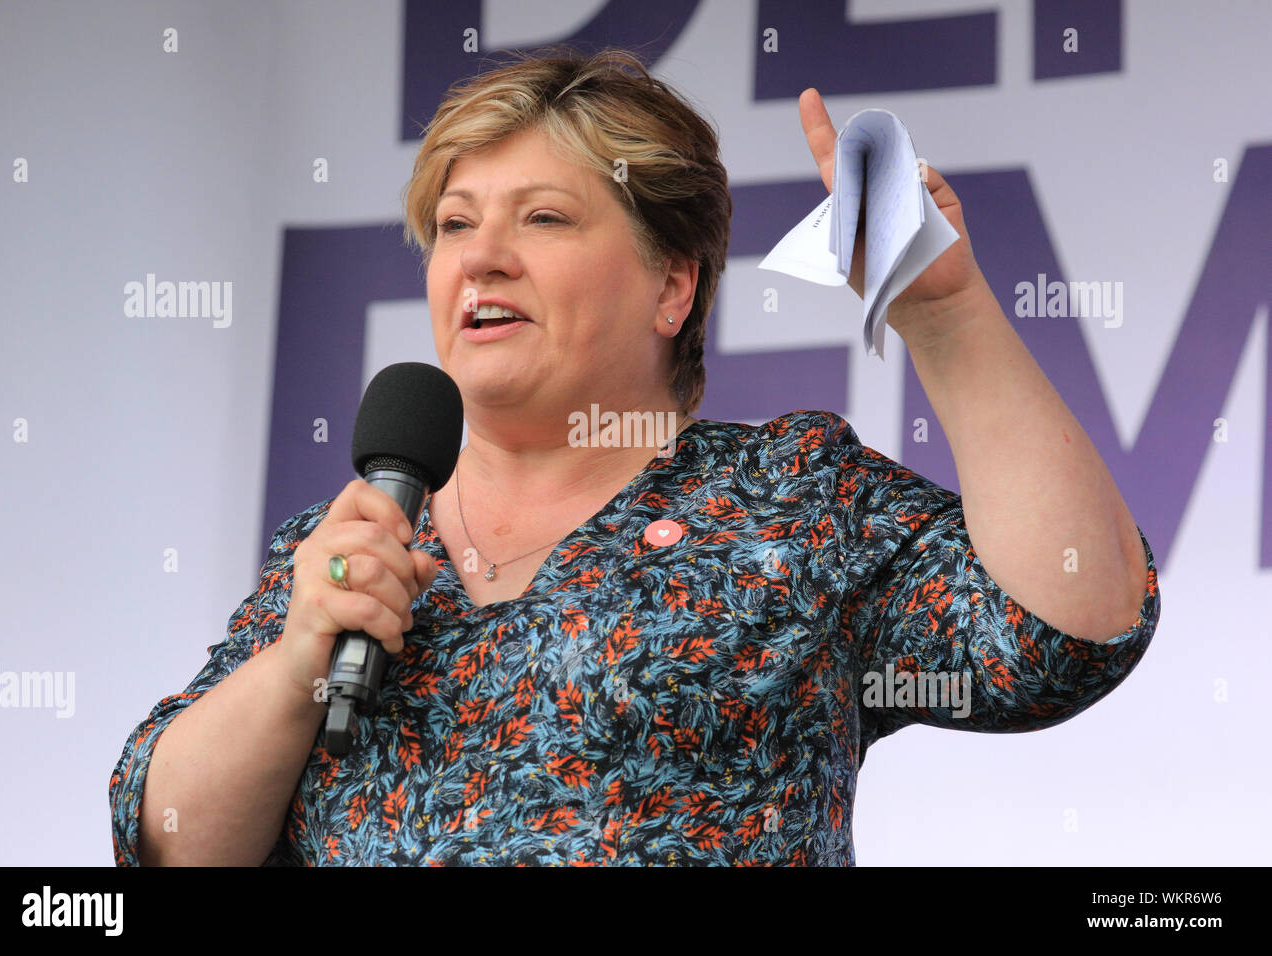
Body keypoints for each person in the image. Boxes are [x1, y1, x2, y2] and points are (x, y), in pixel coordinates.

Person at [110, 46, 1160, 866]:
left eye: (545, 217)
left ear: (673, 286)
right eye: (456, 222)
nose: (481, 254)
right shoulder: (345, 548)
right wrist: (299, 659)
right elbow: (166, 835)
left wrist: (945, 313)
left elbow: (1071, 624)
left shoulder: (786, 501)